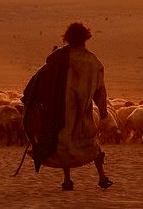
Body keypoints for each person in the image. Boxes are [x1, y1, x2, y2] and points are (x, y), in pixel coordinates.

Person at [21, 21, 113, 191]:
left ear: (68, 38)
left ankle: (67, 180)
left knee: (64, 143)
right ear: (85, 38)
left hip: (62, 112)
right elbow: (100, 90)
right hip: (83, 113)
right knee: (91, 143)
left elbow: (42, 79)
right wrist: (103, 111)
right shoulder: (94, 62)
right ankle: (102, 177)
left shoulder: (59, 59)